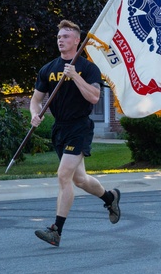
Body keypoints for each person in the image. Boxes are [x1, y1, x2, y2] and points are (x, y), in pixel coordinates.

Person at [31, 20, 121, 247]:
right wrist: (35, 114)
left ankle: (56, 230)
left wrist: (75, 76)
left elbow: (94, 97)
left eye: (66, 36)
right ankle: (110, 198)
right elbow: (36, 100)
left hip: (79, 127)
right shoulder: (48, 69)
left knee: (63, 176)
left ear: (77, 40)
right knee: (79, 179)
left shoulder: (88, 68)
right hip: (59, 128)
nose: (61, 40)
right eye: (59, 36)